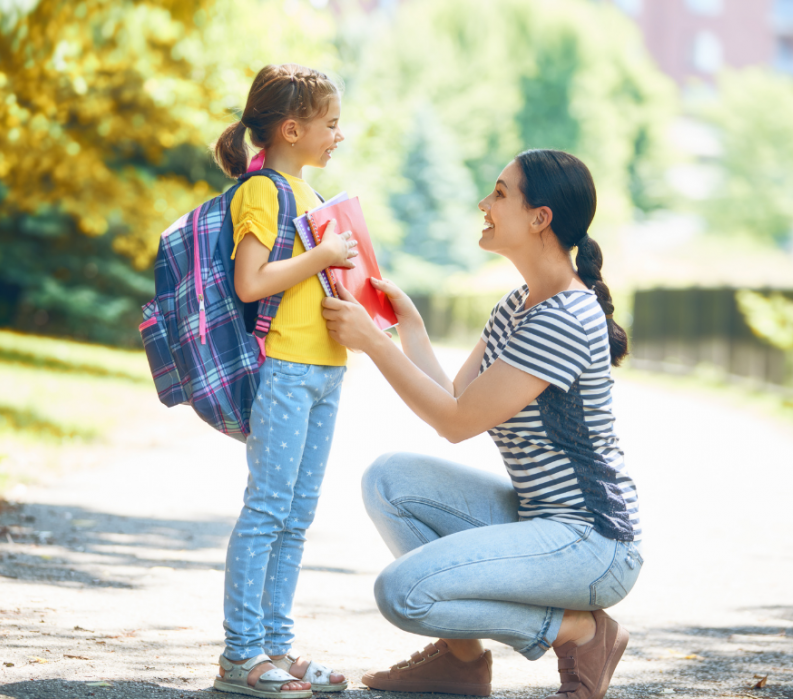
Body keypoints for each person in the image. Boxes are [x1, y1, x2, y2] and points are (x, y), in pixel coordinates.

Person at [322, 149, 643, 699]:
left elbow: (456, 423)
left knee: (403, 593)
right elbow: (454, 397)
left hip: (593, 543)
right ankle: (462, 663)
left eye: (499, 193)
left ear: (540, 217)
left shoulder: (564, 317)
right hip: (540, 520)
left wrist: (373, 343)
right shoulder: (519, 305)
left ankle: (581, 632)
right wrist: (409, 329)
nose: (483, 203)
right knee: (389, 480)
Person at [209, 63, 357, 698]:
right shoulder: (263, 191)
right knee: (268, 510)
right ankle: (240, 656)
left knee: (297, 516)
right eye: (330, 124)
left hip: (326, 369)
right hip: (287, 370)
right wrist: (322, 257)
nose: (338, 136)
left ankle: (275, 645)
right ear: (292, 129)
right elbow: (252, 282)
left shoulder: (315, 197)